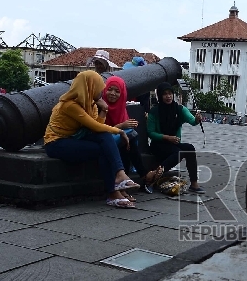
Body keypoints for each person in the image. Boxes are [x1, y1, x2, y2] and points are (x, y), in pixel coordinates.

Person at [43, 70, 139, 208]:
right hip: (56, 143)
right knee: (103, 149)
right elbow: (95, 126)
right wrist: (119, 131)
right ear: (89, 87)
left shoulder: (92, 104)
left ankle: (120, 176)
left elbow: (97, 128)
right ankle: (114, 190)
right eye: (99, 87)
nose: (102, 91)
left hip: (74, 138)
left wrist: (104, 110)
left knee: (104, 139)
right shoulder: (69, 105)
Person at [102, 75, 162, 193]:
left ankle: (125, 185)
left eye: (117, 91)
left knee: (128, 139)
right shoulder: (101, 106)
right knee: (128, 138)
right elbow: (99, 130)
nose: (112, 93)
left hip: (118, 142)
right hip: (103, 141)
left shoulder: (121, 108)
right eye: (110, 89)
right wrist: (121, 127)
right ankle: (144, 175)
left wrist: (128, 126)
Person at [147, 82, 205, 193]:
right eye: (164, 94)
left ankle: (194, 183)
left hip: (173, 144)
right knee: (178, 151)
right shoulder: (154, 112)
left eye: (170, 93)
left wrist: (197, 119)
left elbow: (192, 121)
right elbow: (150, 132)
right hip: (158, 145)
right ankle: (154, 176)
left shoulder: (179, 109)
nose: (168, 96)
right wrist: (167, 137)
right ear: (160, 96)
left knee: (190, 148)